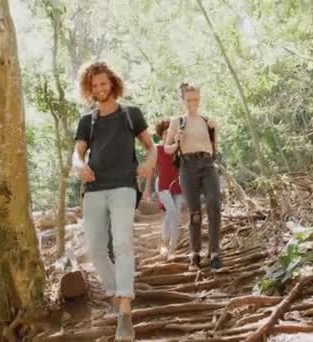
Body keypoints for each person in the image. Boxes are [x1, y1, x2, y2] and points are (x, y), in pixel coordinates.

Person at [72, 61, 156, 341]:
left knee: (121, 243)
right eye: (94, 85)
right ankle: (117, 293)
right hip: (94, 188)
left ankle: (125, 311)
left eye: (104, 84)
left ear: (113, 84)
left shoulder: (131, 114)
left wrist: (148, 164)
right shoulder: (88, 120)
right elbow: (77, 154)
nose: (99, 89)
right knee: (95, 249)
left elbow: (151, 146)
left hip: (123, 186)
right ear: (89, 88)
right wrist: (79, 167)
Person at [164, 82, 222, 272]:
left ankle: (214, 253)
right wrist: (177, 141)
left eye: (195, 99)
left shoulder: (207, 121)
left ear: (200, 99)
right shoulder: (177, 121)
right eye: (189, 100)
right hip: (187, 166)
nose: (192, 103)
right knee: (195, 212)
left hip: (207, 164)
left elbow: (214, 148)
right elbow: (167, 149)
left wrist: (214, 131)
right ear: (183, 101)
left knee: (214, 204)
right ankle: (194, 253)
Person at [146, 119, 184, 260]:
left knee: (173, 215)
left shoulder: (180, 148)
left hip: (177, 185)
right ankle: (164, 244)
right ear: (161, 135)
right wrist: (147, 190)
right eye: (165, 133)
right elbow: (150, 169)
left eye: (171, 133)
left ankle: (172, 249)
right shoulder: (157, 149)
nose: (168, 135)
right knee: (173, 213)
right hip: (162, 185)